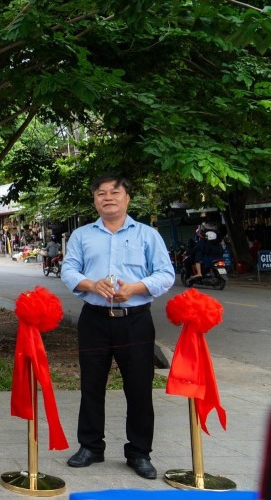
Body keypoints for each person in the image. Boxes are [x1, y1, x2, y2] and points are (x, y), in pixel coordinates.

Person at [60, 175, 174, 480]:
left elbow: (165, 274)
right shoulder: (82, 235)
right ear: (95, 200)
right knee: (91, 385)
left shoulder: (147, 235)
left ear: (127, 198)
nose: (107, 197)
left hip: (135, 321)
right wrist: (90, 284)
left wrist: (136, 288)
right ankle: (90, 446)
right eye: (100, 193)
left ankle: (139, 452)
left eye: (114, 192)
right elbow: (68, 269)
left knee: (138, 387)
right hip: (94, 319)